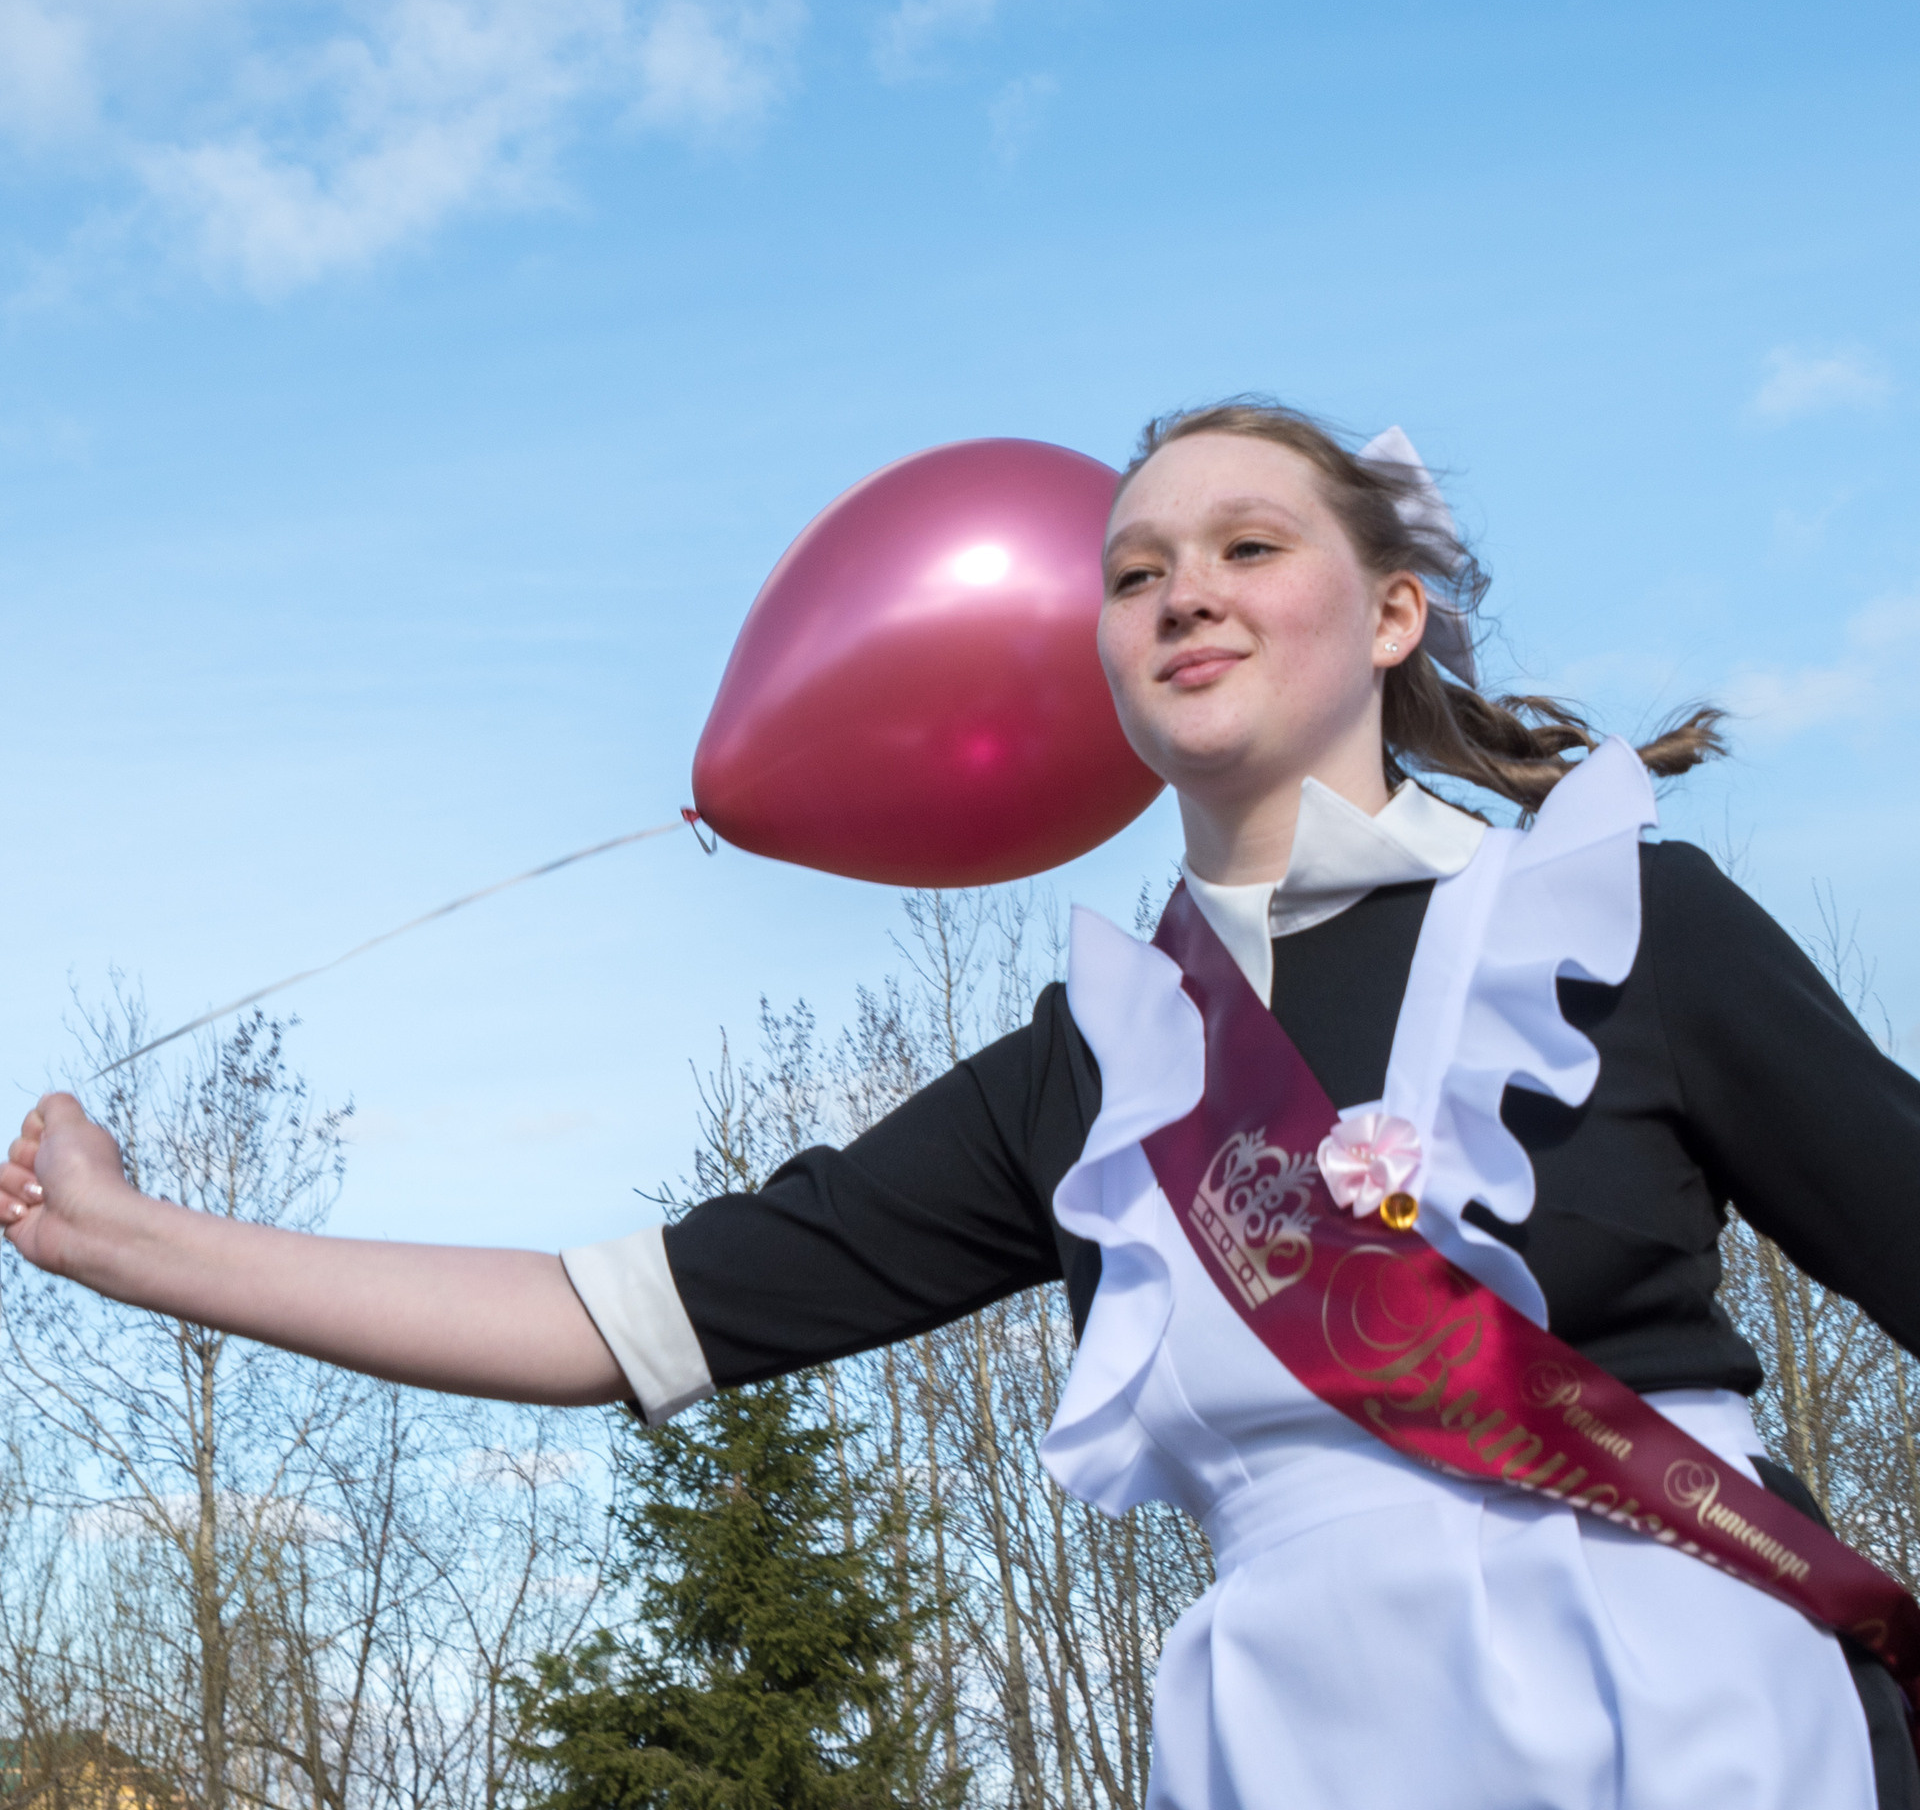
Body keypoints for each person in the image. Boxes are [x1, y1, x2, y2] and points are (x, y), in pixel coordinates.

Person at [5, 400, 1917, 1810]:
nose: (1187, 594)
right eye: (1137, 571)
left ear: (1393, 613)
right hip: (1301, 1747)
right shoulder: (1094, 1072)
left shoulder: (1618, 922)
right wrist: (127, 1242)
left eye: (1251, 548)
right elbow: (611, 1322)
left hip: (1687, 1718)